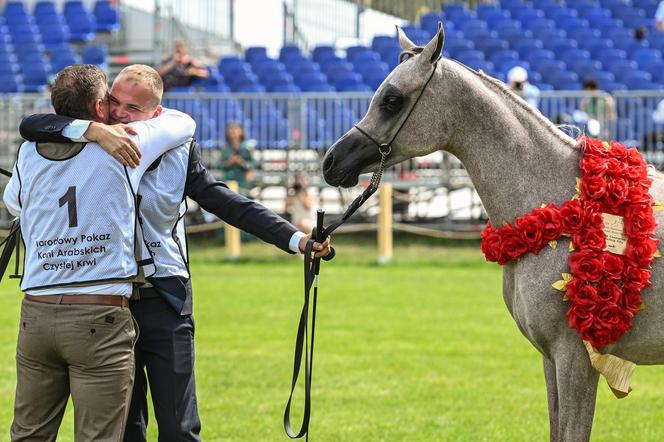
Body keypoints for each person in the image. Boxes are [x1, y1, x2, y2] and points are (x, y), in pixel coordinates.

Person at [20, 69, 332, 442]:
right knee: (124, 429)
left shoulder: (178, 145)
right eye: (114, 102)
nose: (119, 113)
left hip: (163, 299)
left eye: (132, 107)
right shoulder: (88, 140)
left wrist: (296, 239)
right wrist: (94, 130)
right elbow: (35, 124)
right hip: (106, 307)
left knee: (179, 428)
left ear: (157, 113)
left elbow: (229, 203)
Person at [5, 64, 196, 441]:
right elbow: (184, 123)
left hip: (37, 313)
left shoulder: (28, 154)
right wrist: (96, 132)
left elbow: (15, 203)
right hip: (98, 311)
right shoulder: (129, 140)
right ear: (98, 105)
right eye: (109, 99)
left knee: (28, 435)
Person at [219, 122, 256, 192]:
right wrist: (229, 162)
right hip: (228, 182)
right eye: (230, 129)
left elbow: (252, 165)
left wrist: (241, 162)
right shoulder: (225, 148)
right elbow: (220, 165)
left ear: (241, 131)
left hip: (243, 183)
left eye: (235, 128)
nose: (233, 131)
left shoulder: (247, 148)